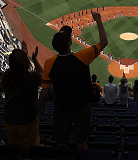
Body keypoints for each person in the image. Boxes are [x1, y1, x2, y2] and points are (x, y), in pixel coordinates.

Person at [39, 11, 108, 152]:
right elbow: (104, 42)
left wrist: (41, 107)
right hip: (82, 107)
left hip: (61, 108)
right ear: (70, 42)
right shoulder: (82, 56)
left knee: (61, 143)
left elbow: (44, 93)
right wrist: (99, 21)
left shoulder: (49, 63)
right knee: (82, 143)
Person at [3, 42, 43, 154]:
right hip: (28, 120)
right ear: (26, 62)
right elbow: (43, 76)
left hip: (9, 119)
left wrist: (23, 57)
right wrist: (33, 59)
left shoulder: (6, 76)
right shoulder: (33, 77)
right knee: (30, 150)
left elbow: (17, 72)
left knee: (14, 149)